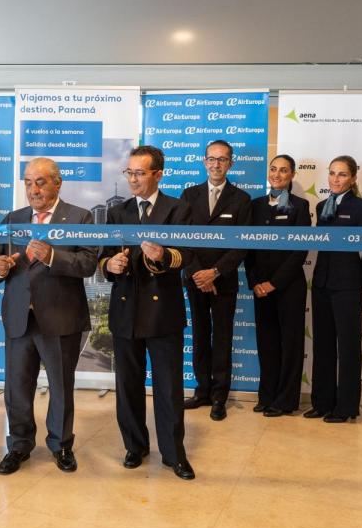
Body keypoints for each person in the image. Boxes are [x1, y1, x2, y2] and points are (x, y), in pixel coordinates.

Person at [0, 157, 97, 475]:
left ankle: (61, 445)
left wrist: (52, 256)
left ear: (57, 183)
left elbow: (88, 263)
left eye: (40, 182)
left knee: (61, 386)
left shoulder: (80, 217)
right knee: (17, 387)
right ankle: (19, 445)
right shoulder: (14, 219)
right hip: (19, 318)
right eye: (28, 182)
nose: (33, 189)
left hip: (60, 318)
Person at [99, 145, 195, 480]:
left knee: (168, 387)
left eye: (140, 173)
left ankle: (173, 453)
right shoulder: (118, 211)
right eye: (129, 172)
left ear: (158, 174)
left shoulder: (178, 208)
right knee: (128, 385)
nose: (133, 179)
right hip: (125, 310)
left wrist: (162, 257)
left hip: (162, 311)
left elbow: (186, 254)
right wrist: (110, 264)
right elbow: (104, 256)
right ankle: (134, 446)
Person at [180, 140, 251, 421]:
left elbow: (242, 243)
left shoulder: (241, 199)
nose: (216, 164)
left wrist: (216, 272)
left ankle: (220, 396)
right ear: (204, 161)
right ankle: (202, 391)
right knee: (199, 335)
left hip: (224, 281)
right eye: (211, 159)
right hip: (195, 279)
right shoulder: (189, 195)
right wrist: (199, 273)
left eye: (222, 159)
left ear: (230, 163)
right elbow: (182, 238)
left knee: (222, 338)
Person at [305, 155, 362, 424]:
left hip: (348, 286)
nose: (336, 179)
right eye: (332, 173)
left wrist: (360, 279)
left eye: (342, 174)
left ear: (353, 178)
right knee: (322, 346)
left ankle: (346, 407)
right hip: (321, 283)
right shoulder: (321, 205)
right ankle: (322, 403)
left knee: (348, 347)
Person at [245, 154, 312, 417]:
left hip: (289, 287)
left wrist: (274, 283)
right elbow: (247, 247)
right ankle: (267, 396)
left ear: (292, 175)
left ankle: (285, 400)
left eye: (283, 170)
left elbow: (299, 251)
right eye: (273, 169)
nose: (277, 174)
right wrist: (255, 282)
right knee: (267, 343)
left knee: (290, 345)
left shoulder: (300, 206)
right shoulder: (255, 205)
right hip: (260, 288)